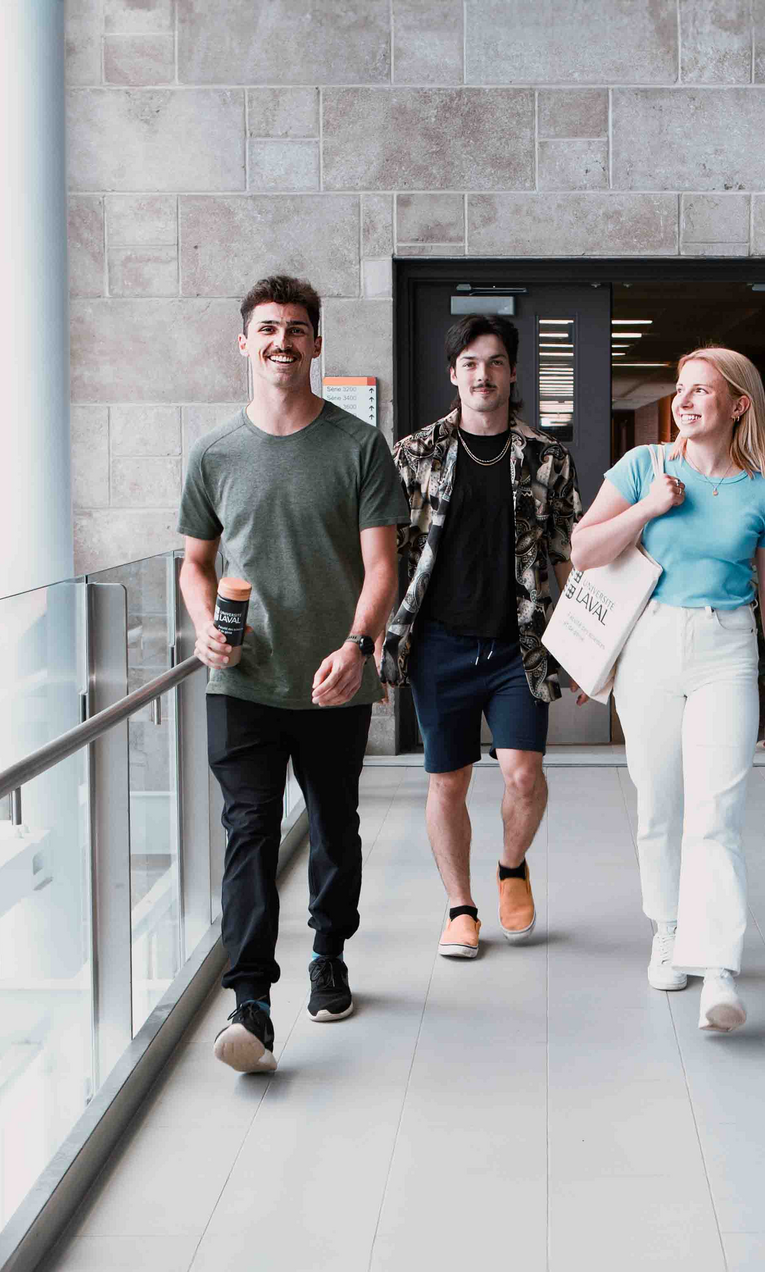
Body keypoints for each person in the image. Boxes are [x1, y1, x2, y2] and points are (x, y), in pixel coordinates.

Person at [179, 274, 408, 1073]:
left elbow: (383, 565)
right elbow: (195, 563)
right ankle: (250, 1003)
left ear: (316, 343)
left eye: (297, 328)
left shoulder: (358, 447)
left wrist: (359, 646)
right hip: (241, 681)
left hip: (333, 679)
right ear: (245, 342)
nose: (283, 340)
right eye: (268, 328)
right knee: (248, 829)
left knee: (334, 823)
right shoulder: (214, 453)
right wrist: (206, 625)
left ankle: (329, 951)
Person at [571, 346, 765, 1032]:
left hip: (728, 645)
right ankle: (668, 927)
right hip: (651, 641)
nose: (687, 400)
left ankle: (719, 963)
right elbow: (582, 550)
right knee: (659, 800)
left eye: (703, 390)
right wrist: (646, 508)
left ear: (738, 405)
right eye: (681, 388)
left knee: (717, 809)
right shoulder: (645, 466)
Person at [381, 315, 582, 959]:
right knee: (449, 781)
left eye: (494, 362)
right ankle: (461, 908)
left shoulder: (547, 460)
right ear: (453, 374)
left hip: (516, 644)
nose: (482, 374)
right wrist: (380, 646)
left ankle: (512, 866)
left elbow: (568, 557)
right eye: (469, 362)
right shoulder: (414, 455)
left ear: (513, 372)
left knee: (523, 774)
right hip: (439, 644)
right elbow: (390, 557)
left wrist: (586, 648)